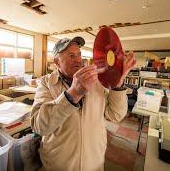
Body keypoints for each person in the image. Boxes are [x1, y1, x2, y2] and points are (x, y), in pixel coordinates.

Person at [31, 36, 136, 171]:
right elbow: (39, 127)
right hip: (58, 164)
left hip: (94, 162)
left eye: (79, 54)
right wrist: (73, 93)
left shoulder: (97, 80)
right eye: (71, 55)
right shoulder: (46, 83)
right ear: (57, 61)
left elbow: (115, 115)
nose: (78, 59)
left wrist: (118, 84)